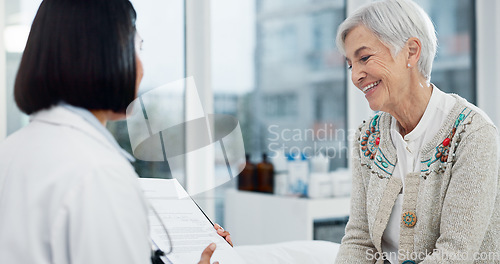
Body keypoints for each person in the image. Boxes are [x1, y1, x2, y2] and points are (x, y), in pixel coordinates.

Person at [0, 0, 229, 263]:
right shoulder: (98, 171)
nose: (141, 67)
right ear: (105, 55)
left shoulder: (11, 148)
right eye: (137, 48)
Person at [334, 0, 500, 263]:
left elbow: (454, 254)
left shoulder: (471, 134)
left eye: (364, 58)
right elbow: (359, 239)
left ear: (411, 52)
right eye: (350, 64)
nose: (355, 76)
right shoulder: (368, 137)